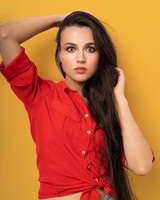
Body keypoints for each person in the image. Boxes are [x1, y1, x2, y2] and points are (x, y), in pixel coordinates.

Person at [0, 11, 155, 200]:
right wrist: (59, 20)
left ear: (100, 56)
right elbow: (4, 34)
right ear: (60, 54)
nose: (80, 58)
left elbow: (142, 166)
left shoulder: (108, 108)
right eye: (71, 48)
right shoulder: (38, 93)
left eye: (90, 49)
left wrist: (119, 100)